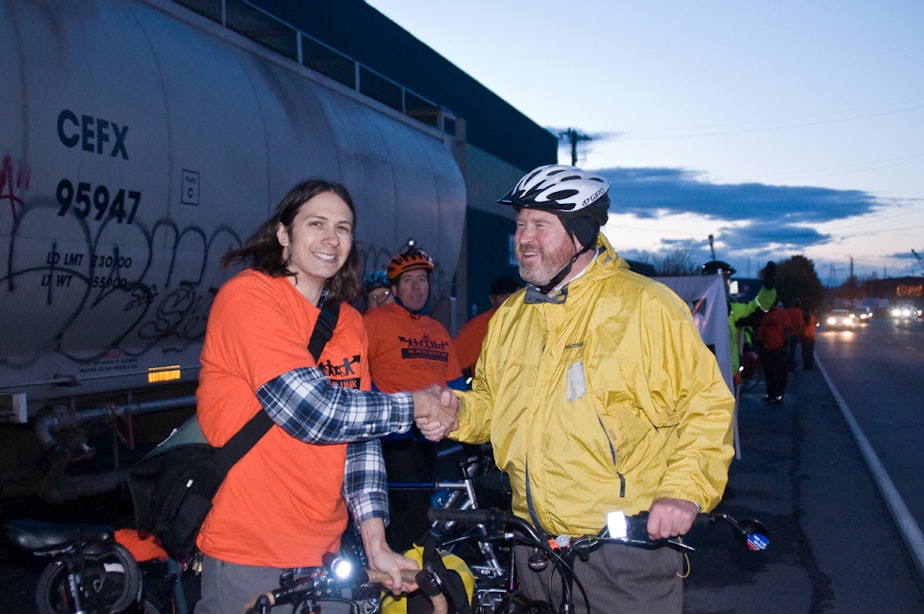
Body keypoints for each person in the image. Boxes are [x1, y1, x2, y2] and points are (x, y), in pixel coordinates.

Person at [441, 165, 736, 613]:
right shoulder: (512, 316)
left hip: (626, 555)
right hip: (534, 549)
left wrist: (683, 490)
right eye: (520, 224)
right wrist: (455, 412)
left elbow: (707, 405)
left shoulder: (645, 306)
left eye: (540, 224)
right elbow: (492, 404)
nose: (523, 237)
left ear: (580, 233)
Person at [193, 179, 458, 613]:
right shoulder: (249, 297)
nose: (331, 239)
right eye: (316, 223)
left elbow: (359, 438)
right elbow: (312, 412)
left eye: (343, 227)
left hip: (326, 553)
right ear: (284, 234)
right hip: (249, 551)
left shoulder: (349, 322)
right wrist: (415, 404)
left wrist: (376, 543)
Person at [363, 239, 466, 548]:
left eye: (422, 279)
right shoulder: (373, 322)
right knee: (410, 516)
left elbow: (457, 385)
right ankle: (404, 581)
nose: (417, 287)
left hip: (441, 436)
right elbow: (353, 376)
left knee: (446, 512)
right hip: (398, 435)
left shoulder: (437, 329)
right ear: (394, 289)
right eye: (407, 280)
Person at [701, 259, 777, 389]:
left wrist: (768, 288)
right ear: (714, 279)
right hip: (703, 379)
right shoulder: (693, 307)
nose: (727, 283)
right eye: (725, 278)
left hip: (727, 378)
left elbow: (756, 309)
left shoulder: (729, 307)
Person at [453, 275, 520, 376]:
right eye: (505, 297)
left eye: (515, 297)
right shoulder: (480, 328)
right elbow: (451, 364)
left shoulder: (533, 321)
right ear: (492, 300)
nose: (511, 303)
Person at [756, 301, 792, 404]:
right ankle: (771, 394)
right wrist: (760, 344)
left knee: (780, 373)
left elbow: (787, 329)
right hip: (767, 349)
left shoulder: (782, 314)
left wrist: (785, 344)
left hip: (779, 348)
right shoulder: (765, 315)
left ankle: (779, 394)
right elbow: (760, 331)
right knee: (768, 373)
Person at [785, 298, 805, 371]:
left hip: (786, 334)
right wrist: (799, 334)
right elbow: (800, 325)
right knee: (792, 351)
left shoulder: (787, 311)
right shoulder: (799, 312)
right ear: (799, 305)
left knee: (787, 350)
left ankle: (786, 365)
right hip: (794, 334)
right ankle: (791, 366)